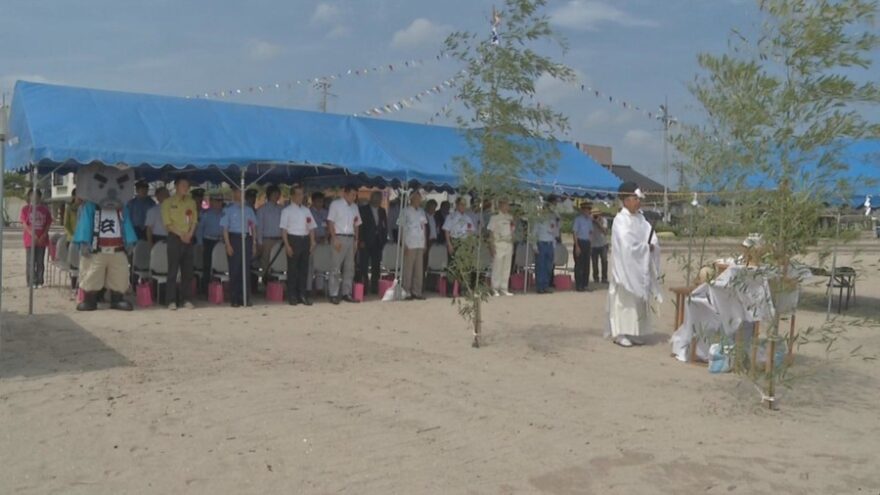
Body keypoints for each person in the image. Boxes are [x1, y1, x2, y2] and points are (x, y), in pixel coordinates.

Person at [606, 181, 663, 348]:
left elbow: (651, 237)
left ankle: (635, 331)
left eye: (639, 198)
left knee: (638, 302)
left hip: (640, 267)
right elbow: (626, 244)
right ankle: (620, 333)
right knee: (624, 301)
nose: (638, 201)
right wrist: (644, 248)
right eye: (634, 198)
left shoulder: (641, 219)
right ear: (625, 200)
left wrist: (651, 246)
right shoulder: (620, 220)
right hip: (625, 268)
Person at [161, 178, 198, 310]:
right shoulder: (167, 203)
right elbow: (167, 224)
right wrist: (181, 234)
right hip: (174, 238)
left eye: (187, 185)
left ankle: (186, 299)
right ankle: (171, 300)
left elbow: (194, 221)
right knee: (173, 270)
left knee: (187, 271)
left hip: (188, 237)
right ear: (176, 186)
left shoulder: (191, 202)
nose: (185, 188)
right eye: (183, 185)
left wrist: (190, 234)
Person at [280, 185, 317, 306]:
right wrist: (287, 245)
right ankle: (292, 295)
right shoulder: (286, 211)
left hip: (304, 239)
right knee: (292, 269)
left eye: (302, 194)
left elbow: (311, 227)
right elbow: (284, 230)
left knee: (304, 269)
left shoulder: (306, 210)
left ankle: (302, 294)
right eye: (299, 194)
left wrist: (312, 241)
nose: (301, 197)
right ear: (292, 196)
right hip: (293, 239)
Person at [221, 186, 258, 308]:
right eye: (239, 191)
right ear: (234, 193)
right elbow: (225, 228)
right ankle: (235, 298)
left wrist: (253, 243)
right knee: (235, 270)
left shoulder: (249, 210)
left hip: (246, 238)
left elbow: (253, 227)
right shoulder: (228, 209)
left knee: (246, 270)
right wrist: (228, 244)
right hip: (234, 238)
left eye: (243, 191)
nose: (241, 193)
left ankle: (245, 298)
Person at [327, 184, 362, 304]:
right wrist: (334, 238)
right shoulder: (335, 205)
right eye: (352, 194)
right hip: (339, 237)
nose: (354, 197)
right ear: (345, 193)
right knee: (336, 266)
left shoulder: (355, 207)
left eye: (355, 195)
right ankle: (333, 293)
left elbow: (356, 224)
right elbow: (330, 222)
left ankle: (346, 292)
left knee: (349, 267)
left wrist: (356, 240)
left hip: (350, 238)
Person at [442, 197, 476, 295]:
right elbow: (446, 231)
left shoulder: (467, 218)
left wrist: (470, 245)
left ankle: (463, 290)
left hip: (464, 242)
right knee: (452, 267)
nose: (463, 206)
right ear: (457, 205)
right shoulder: (451, 216)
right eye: (461, 204)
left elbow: (470, 232)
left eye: (464, 205)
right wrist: (449, 244)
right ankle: (449, 291)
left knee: (464, 267)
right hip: (454, 241)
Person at [20, 188, 52, 288]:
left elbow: (48, 223)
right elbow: (24, 223)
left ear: (39, 197)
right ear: (29, 196)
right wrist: (32, 234)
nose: (34, 197)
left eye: (36, 195)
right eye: (32, 195)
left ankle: (40, 281)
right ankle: (31, 281)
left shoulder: (45, 209)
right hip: (30, 240)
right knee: (30, 261)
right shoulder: (25, 209)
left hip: (42, 240)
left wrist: (44, 235)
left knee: (40, 261)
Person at [357, 191, 387, 295]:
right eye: (376, 198)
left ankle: (374, 287)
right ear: (371, 198)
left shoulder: (382, 211)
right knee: (364, 266)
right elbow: (359, 227)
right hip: (365, 242)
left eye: (380, 198)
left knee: (376, 266)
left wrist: (384, 240)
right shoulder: (363, 210)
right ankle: (364, 288)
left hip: (377, 242)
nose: (378, 200)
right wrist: (360, 240)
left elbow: (384, 226)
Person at [400, 191, 428, 300]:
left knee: (419, 269)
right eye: (417, 198)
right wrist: (403, 243)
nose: (419, 200)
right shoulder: (404, 211)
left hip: (420, 243)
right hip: (409, 243)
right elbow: (401, 227)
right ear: (412, 199)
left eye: (420, 198)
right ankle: (406, 291)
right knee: (408, 268)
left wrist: (425, 242)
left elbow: (424, 228)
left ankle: (417, 291)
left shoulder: (421, 211)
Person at [196, 194, 224, 293]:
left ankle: (218, 289)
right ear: (211, 202)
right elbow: (199, 230)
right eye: (216, 201)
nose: (218, 204)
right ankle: (205, 289)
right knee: (207, 265)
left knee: (220, 266)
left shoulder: (224, 214)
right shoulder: (205, 214)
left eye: (220, 201)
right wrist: (200, 243)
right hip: (208, 241)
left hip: (220, 242)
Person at [487, 199, 515, 297]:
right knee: (497, 267)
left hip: (508, 244)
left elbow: (512, 232)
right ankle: (494, 288)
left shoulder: (510, 217)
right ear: (501, 205)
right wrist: (491, 246)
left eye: (508, 205)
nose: (507, 207)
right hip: (498, 244)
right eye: (506, 205)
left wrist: (512, 245)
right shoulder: (494, 218)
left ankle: (504, 288)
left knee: (506, 267)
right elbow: (490, 233)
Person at [257, 185, 284, 288]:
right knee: (266, 263)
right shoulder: (262, 210)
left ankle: (278, 286)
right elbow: (259, 227)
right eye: (274, 194)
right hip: (267, 240)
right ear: (269, 195)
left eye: (278, 194)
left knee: (279, 263)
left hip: (280, 240)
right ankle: (265, 286)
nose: (277, 196)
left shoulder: (282, 209)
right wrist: (259, 242)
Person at [531, 198, 559, 294]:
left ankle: (546, 285)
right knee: (540, 266)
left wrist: (554, 246)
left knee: (548, 266)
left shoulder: (552, 220)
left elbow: (555, 234)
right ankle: (540, 286)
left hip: (550, 244)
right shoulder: (538, 220)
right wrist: (534, 246)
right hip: (541, 244)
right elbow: (533, 234)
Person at [307, 191, 329, 293]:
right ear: (313, 201)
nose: (320, 203)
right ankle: (309, 288)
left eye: (322, 201)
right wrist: (314, 238)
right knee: (310, 265)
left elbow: (329, 226)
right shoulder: (308, 212)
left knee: (322, 264)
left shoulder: (326, 212)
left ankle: (319, 288)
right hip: (312, 241)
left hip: (324, 241)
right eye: (318, 201)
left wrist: (326, 237)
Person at [64, 188, 84, 289]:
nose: (80, 198)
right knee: (73, 262)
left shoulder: (85, 208)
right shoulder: (69, 208)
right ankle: (73, 284)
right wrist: (72, 236)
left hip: (83, 239)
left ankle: (82, 284)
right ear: (74, 197)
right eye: (78, 196)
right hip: (71, 238)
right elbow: (66, 225)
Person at [573, 202, 594, 292]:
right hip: (580, 242)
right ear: (582, 210)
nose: (587, 211)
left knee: (586, 265)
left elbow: (590, 232)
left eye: (589, 209)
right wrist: (577, 246)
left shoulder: (589, 220)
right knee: (579, 265)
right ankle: (579, 285)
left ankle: (585, 284)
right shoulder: (578, 220)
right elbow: (575, 233)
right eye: (586, 209)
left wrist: (590, 243)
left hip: (587, 243)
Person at [590, 211, 609, 284]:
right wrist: (592, 221)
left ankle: (604, 278)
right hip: (593, 244)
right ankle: (596, 278)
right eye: (594, 215)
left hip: (603, 244)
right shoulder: (590, 221)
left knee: (604, 261)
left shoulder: (604, 220)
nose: (596, 216)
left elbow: (605, 232)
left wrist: (598, 223)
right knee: (594, 262)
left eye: (597, 215)